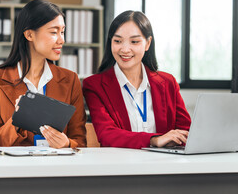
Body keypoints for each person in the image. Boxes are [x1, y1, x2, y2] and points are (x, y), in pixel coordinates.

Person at [0, 0, 87, 194]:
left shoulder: (70, 80)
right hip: (8, 179)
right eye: (53, 32)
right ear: (29, 34)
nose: (61, 39)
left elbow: (80, 143)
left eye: (62, 31)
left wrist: (66, 144)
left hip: (55, 179)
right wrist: (18, 119)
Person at [82, 10, 191, 149]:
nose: (125, 49)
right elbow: (107, 134)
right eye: (117, 41)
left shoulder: (168, 83)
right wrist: (154, 140)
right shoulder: (94, 85)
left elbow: (186, 131)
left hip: (164, 165)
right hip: (120, 166)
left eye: (134, 41)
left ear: (147, 43)